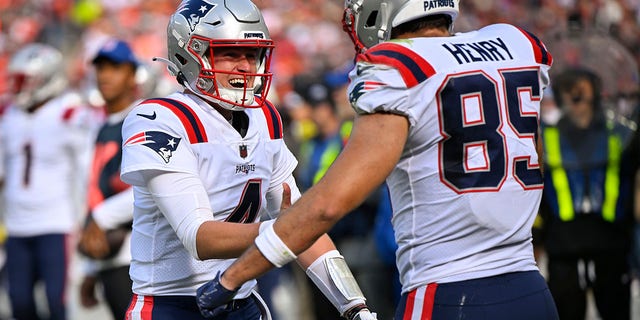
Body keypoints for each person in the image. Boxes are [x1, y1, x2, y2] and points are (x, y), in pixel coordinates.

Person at [196, 0, 562, 319]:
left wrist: (233, 277)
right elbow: (534, 159)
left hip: (450, 293)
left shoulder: (399, 67)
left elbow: (328, 205)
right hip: (530, 288)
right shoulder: (516, 44)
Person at [119, 1, 376, 319]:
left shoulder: (264, 116)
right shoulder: (158, 118)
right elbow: (199, 237)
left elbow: (299, 222)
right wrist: (288, 229)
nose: (244, 66)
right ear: (190, 54)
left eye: (251, 53)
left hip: (243, 301)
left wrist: (355, 306)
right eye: (230, 52)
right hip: (173, 304)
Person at [0, 43, 98, 319]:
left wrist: (87, 216)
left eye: (24, 81)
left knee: (58, 302)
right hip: (17, 225)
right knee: (18, 302)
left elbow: (87, 171)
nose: (17, 87)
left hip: (56, 222)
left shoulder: (69, 113)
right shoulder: (8, 116)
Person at [535, 67, 635, 320]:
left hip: (611, 247)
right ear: (558, 96)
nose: (576, 96)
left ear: (596, 93)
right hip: (563, 250)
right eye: (569, 90)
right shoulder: (548, 137)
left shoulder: (619, 132)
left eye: (581, 89)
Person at [76, 38, 140, 320]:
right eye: (100, 68)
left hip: (137, 257)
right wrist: (90, 268)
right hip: (108, 259)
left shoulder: (144, 118)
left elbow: (151, 188)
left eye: (114, 67)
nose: (104, 75)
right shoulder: (102, 128)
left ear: (132, 74)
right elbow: (95, 192)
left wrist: (102, 218)